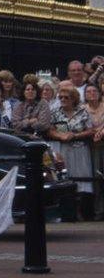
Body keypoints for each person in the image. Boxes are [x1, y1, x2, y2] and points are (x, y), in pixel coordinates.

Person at [49, 86, 95, 221]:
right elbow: (49, 130)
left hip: (80, 150)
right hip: (62, 150)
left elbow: (91, 130)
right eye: (60, 97)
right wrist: (60, 135)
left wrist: (75, 135)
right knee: (64, 179)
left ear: (74, 99)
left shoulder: (82, 112)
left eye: (66, 97)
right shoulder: (55, 112)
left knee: (82, 181)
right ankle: (66, 213)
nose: (63, 100)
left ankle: (81, 212)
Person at [85, 84, 104, 221]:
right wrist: (94, 132)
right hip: (91, 147)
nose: (92, 93)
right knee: (96, 180)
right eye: (88, 91)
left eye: (94, 91)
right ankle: (98, 211)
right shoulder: (82, 109)